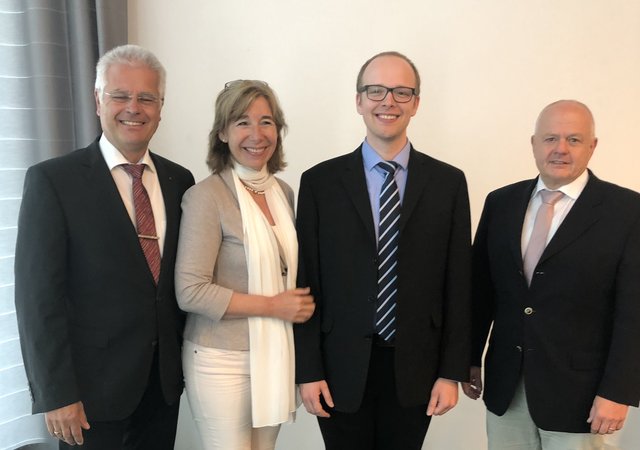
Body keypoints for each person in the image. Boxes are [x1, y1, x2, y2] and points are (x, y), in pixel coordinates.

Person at [14, 44, 195, 449]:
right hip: (88, 395)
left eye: (147, 98)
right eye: (121, 95)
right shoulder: (54, 181)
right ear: (98, 100)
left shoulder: (179, 181)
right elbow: (37, 298)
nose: (134, 108)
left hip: (162, 387)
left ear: (160, 107)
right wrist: (56, 394)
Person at [294, 51, 472, 449]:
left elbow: (459, 284)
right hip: (338, 368)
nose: (388, 101)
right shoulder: (320, 183)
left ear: (416, 103)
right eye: (375, 90)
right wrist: (307, 369)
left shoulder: (448, 184)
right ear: (358, 101)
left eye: (401, 92)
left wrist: (450, 372)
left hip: (417, 368)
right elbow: (307, 280)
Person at [462, 100, 640, 449]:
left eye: (574, 139)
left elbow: (634, 313)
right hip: (506, 390)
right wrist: (468, 358)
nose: (560, 149)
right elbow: (481, 290)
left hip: (584, 399)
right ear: (533, 143)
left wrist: (618, 392)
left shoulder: (627, 212)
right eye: (550, 138)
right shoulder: (501, 203)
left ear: (593, 146)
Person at [175, 79, 315, 450]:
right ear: (222, 132)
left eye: (266, 121)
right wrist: (273, 306)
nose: (257, 134)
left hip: (274, 354)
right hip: (221, 360)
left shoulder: (283, 193)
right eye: (242, 122)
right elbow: (190, 291)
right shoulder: (206, 197)